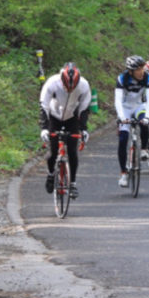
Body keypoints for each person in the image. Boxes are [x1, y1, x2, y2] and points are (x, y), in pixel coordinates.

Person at [39, 63, 91, 199]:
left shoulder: (84, 85)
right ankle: (51, 174)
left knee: (72, 151)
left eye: (72, 88)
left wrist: (83, 129)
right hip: (54, 117)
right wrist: (44, 128)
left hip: (72, 118)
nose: (69, 90)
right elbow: (43, 105)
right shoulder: (52, 82)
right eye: (67, 87)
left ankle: (72, 183)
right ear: (62, 79)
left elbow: (84, 109)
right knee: (53, 151)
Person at [114, 56, 149, 188]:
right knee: (123, 139)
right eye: (138, 69)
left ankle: (144, 149)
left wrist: (147, 117)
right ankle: (123, 173)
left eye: (142, 68)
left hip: (139, 106)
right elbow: (118, 100)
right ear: (130, 71)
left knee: (144, 122)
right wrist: (121, 117)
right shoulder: (122, 79)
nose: (141, 71)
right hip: (125, 108)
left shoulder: (148, 78)